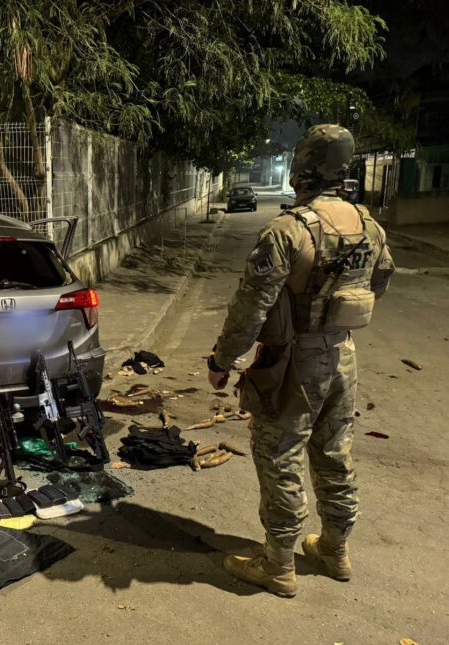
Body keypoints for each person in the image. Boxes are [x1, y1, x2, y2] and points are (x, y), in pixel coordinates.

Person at [206, 125, 395, 597]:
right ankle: (334, 549)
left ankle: (278, 563)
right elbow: (381, 280)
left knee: (279, 454)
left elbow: (251, 306)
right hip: (342, 355)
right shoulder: (367, 224)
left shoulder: (289, 230)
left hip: (292, 364)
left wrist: (223, 359)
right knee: (335, 452)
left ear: (301, 168)